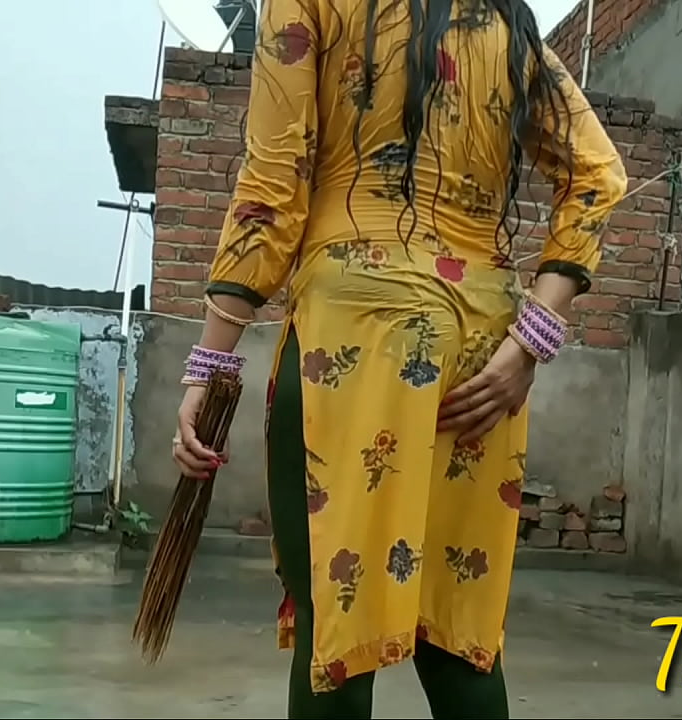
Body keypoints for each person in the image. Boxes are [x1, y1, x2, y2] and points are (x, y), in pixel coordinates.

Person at [169, 0, 627, 713]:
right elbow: (598, 174)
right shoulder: (505, 21)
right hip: (480, 349)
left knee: (337, 622)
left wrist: (210, 363)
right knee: (459, 628)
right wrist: (531, 336)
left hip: (350, 334)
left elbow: (271, 186)